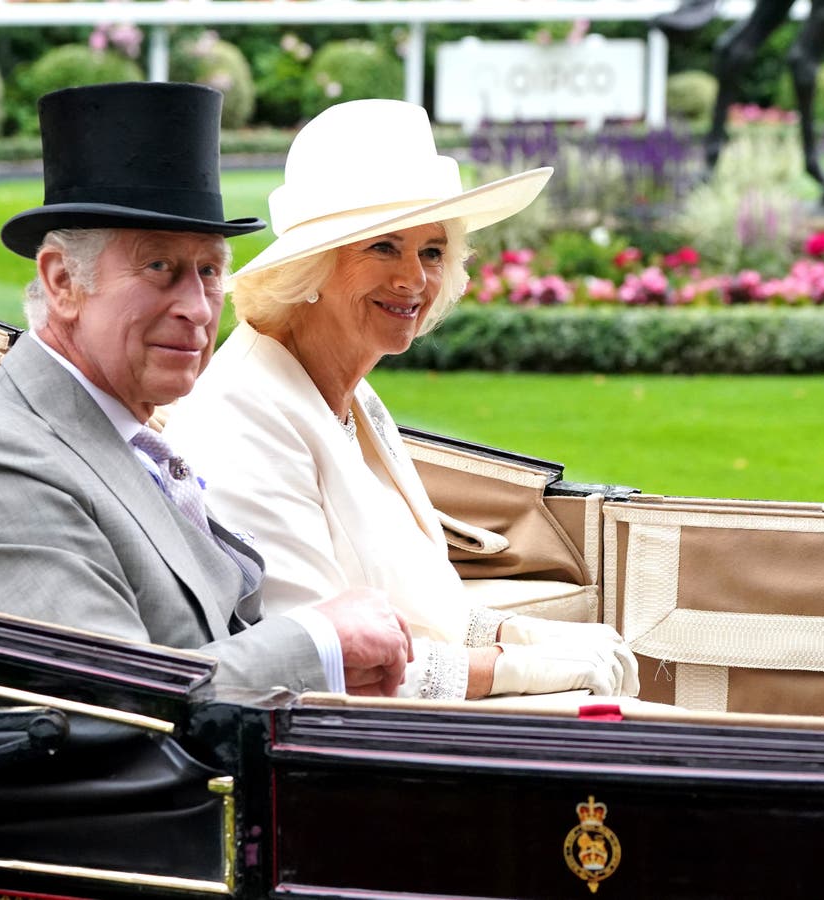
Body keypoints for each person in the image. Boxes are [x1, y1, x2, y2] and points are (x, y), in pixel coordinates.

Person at [0, 82, 413, 697]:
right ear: (63, 282)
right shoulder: (0, 466)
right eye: (159, 268)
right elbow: (119, 702)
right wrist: (320, 641)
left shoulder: (118, 430)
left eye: (210, 271)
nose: (198, 309)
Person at [164, 99, 640, 702]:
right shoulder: (243, 416)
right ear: (313, 267)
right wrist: (525, 667)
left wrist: (525, 633)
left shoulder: (351, 393)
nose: (413, 279)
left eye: (432, 251)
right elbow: (326, 666)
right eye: (384, 247)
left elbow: (416, 603)